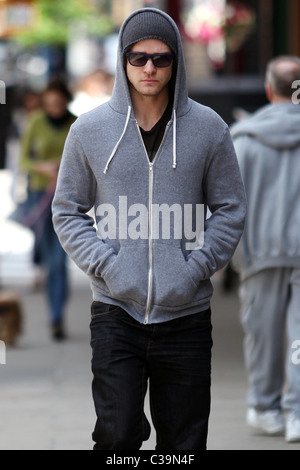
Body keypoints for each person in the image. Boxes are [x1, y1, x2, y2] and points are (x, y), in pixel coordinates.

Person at [52, 8, 246, 450]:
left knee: (183, 445)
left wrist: (196, 267)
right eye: (138, 58)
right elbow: (67, 210)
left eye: (161, 59)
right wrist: (108, 265)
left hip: (187, 316)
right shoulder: (89, 131)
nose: (150, 68)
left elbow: (230, 207)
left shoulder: (208, 129)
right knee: (116, 437)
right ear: (123, 61)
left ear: (176, 61)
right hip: (115, 311)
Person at [231, 55, 300, 443]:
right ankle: (297, 412)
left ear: (268, 88)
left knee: (263, 335)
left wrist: (237, 258)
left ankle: (263, 405)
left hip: (260, 254)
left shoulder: (243, 138)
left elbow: (226, 205)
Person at [20, 78, 77, 340]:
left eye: (58, 102)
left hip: (66, 197)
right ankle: (53, 309)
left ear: (66, 100)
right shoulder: (35, 122)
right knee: (48, 259)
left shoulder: (76, 124)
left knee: (58, 261)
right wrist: (43, 167)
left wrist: (63, 170)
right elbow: (23, 159)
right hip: (39, 195)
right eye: (49, 103)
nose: (54, 107)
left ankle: (56, 315)